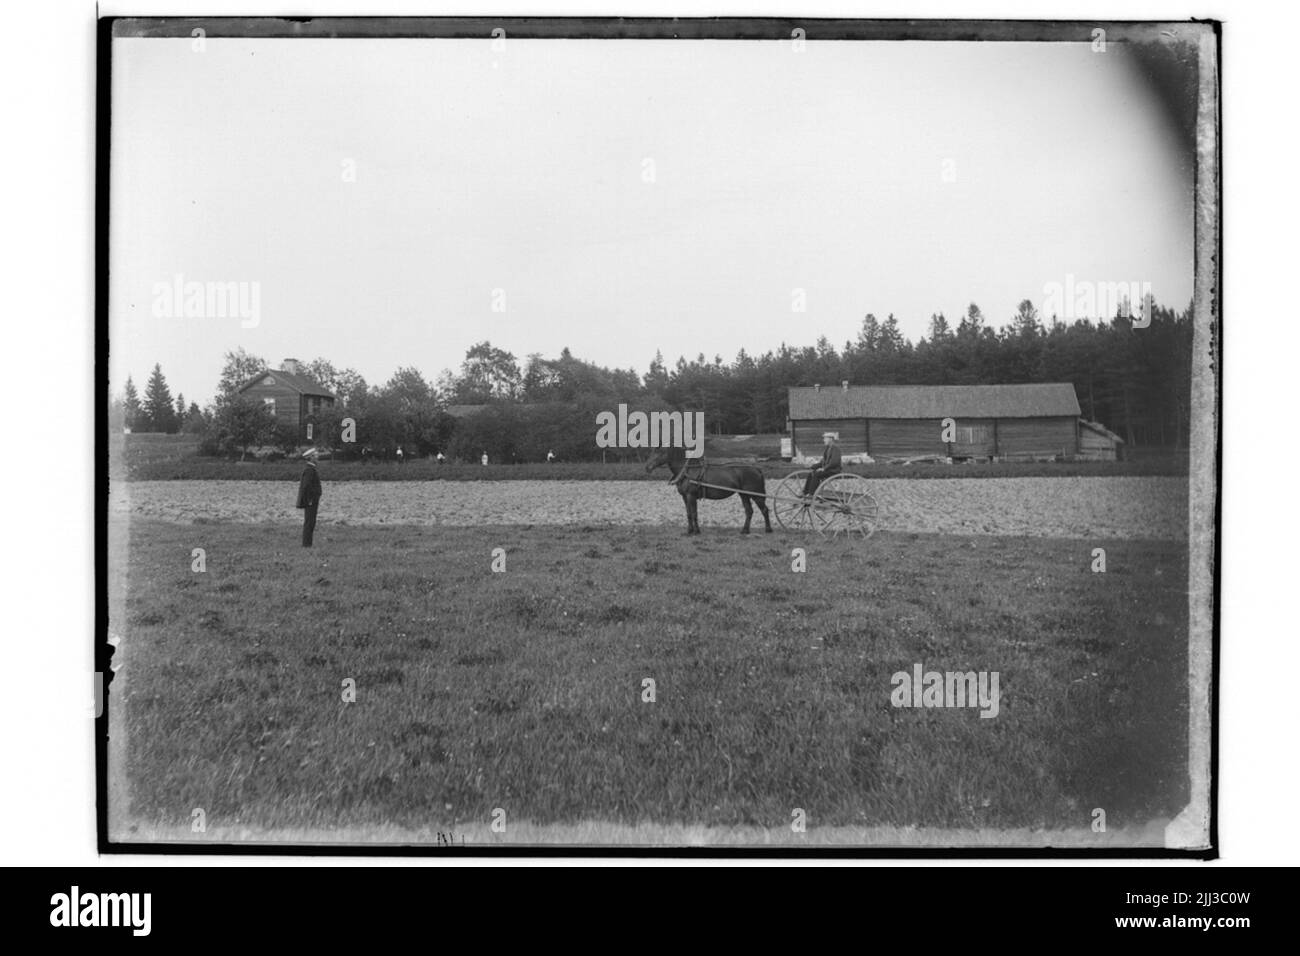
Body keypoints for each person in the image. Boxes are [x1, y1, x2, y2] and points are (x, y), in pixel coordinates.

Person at [296, 448, 322, 547]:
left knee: (311, 521)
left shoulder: (311, 469)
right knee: (309, 522)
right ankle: (306, 544)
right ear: (311, 458)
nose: (317, 457)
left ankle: (308, 543)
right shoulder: (309, 470)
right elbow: (307, 486)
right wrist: (310, 499)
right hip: (311, 500)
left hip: (312, 500)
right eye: (315, 455)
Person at [802, 432, 842, 497]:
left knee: (817, 474)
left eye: (825, 439)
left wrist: (824, 468)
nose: (824, 440)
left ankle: (811, 494)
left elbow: (834, 462)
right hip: (828, 470)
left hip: (834, 471)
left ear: (831, 439)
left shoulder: (836, 449)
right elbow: (822, 462)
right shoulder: (827, 449)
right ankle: (805, 492)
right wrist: (812, 466)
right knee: (811, 473)